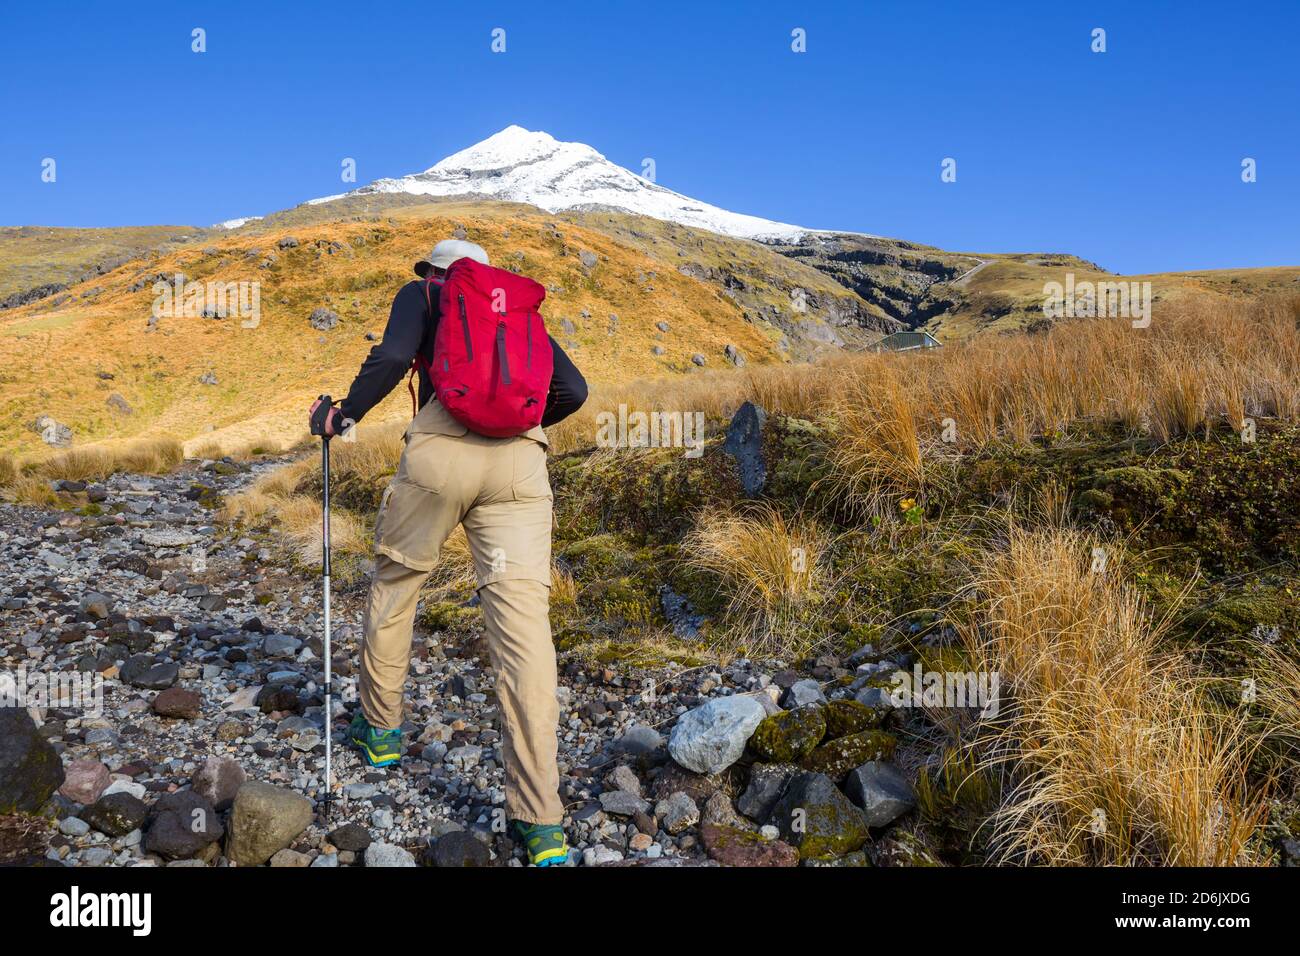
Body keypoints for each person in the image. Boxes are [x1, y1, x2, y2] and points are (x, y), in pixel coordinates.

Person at [309, 238, 587, 867]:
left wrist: (343, 414)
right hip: (521, 465)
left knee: (397, 583)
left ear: (437, 271)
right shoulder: (517, 309)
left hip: (438, 455)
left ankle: (380, 732)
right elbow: (574, 388)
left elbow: (393, 357)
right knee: (523, 629)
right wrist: (519, 428)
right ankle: (541, 821)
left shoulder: (425, 292)